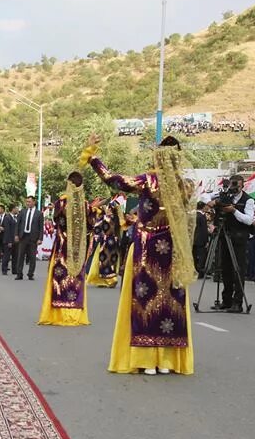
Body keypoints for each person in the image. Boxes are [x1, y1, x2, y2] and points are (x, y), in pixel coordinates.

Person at [83, 135, 196, 375]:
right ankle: (167, 360)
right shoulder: (185, 185)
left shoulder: (148, 180)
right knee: (170, 299)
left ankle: (145, 358)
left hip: (146, 246)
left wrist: (93, 157)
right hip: (173, 248)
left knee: (145, 298)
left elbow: (113, 180)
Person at [39, 172, 91, 326]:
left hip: (62, 245)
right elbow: (90, 225)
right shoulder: (86, 205)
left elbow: (56, 221)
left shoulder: (61, 203)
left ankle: (59, 313)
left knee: (60, 277)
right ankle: (75, 312)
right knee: (76, 278)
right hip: (78, 247)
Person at [217, 174, 255, 312]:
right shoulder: (227, 197)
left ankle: (237, 302)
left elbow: (249, 220)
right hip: (225, 235)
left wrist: (234, 211)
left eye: (236, 185)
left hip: (239, 238)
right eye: (231, 184)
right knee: (225, 268)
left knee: (238, 270)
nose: (233, 188)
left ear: (242, 185)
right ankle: (226, 300)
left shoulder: (248, 200)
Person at [86, 198, 120, 288]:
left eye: (109, 208)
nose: (107, 209)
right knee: (104, 261)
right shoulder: (107, 217)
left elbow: (101, 227)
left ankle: (110, 280)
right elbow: (97, 226)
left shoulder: (110, 218)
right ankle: (103, 280)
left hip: (108, 242)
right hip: (107, 241)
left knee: (108, 261)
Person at [14, 196, 42, 280]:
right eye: (27, 202)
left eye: (29, 202)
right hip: (23, 237)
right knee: (20, 256)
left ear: (34, 202)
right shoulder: (22, 212)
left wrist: (40, 238)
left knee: (32, 257)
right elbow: (18, 224)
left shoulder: (39, 213)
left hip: (33, 238)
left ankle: (30, 274)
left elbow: (41, 227)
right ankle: (19, 274)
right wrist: (16, 235)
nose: (28, 203)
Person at [193, 201, 210, 276]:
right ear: (203, 207)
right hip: (201, 239)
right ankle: (200, 272)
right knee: (202, 256)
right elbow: (204, 230)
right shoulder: (202, 216)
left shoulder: (193, 215)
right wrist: (206, 240)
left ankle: (194, 270)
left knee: (194, 255)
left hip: (194, 239)